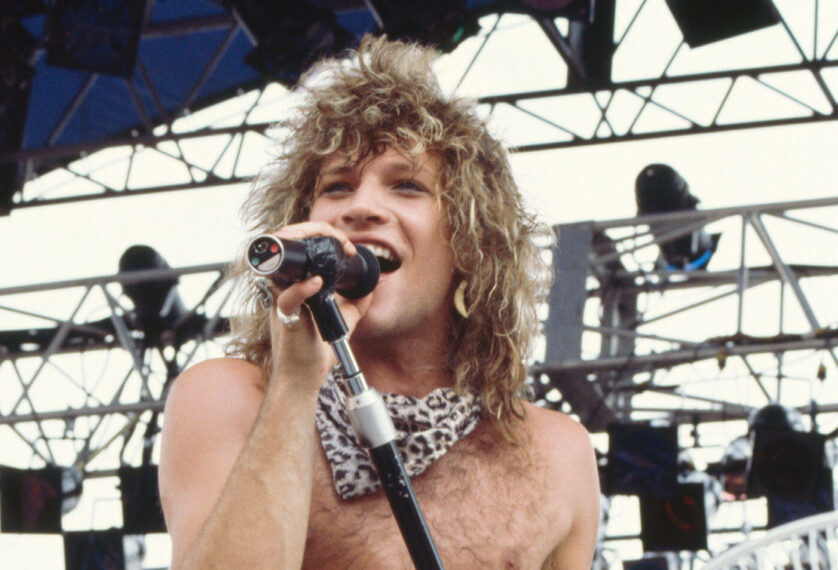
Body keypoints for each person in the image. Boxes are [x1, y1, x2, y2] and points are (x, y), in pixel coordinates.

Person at [158, 35, 600, 569]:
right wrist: (296, 385)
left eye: (407, 186)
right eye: (338, 187)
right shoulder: (229, 397)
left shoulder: (556, 454)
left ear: (470, 241)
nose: (362, 206)